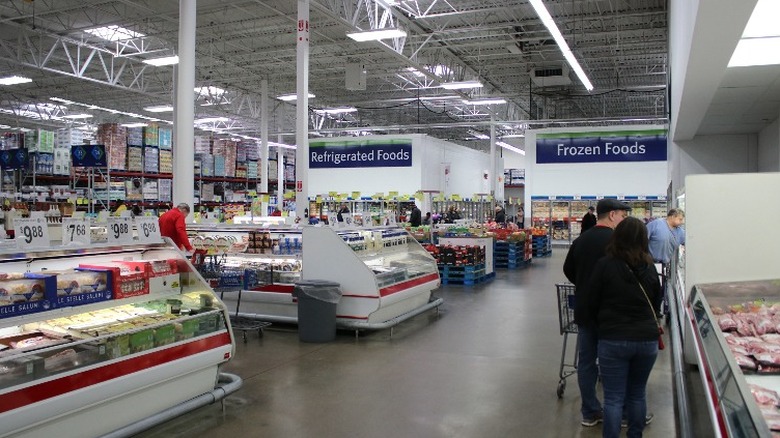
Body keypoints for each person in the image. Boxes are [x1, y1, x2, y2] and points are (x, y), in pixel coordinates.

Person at [586, 217, 662, 438]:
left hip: (613, 338)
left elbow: (591, 301)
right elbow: (656, 301)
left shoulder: (605, 265)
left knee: (613, 398)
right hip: (646, 340)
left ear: (617, 237)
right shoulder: (650, 267)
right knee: (637, 394)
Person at [563, 198, 631, 427]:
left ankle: (590, 411)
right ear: (612, 215)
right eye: (622, 215)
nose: (623, 220)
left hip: (585, 310)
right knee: (615, 362)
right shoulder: (618, 242)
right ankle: (621, 413)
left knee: (586, 361)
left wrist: (584, 284)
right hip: (612, 312)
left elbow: (568, 269)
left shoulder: (581, 240)